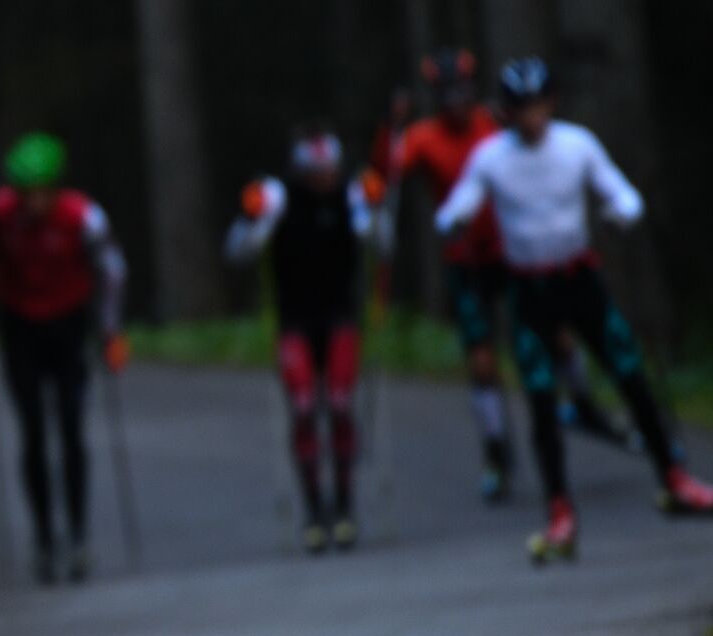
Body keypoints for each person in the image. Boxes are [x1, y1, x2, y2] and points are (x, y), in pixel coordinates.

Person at [436, 58, 713, 558]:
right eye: (521, 108)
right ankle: (559, 511)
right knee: (540, 399)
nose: (531, 118)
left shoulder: (577, 144)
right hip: (529, 291)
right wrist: (453, 220)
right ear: (505, 111)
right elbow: (458, 204)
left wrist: (622, 212)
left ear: (552, 103)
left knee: (630, 373)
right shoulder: (491, 156)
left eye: (538, 106)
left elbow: (621, 193)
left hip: (579, 279)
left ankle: (673, 476)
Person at [369, 48, 619, 502]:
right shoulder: (424, 137)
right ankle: (497, 452)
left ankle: (583, 403)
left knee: (557, 336)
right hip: (466, 263)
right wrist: (391, 129)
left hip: (514, 254)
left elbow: (537, 148)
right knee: (482, 362)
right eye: (446, 94)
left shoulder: (493, 124)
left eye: (462, 91)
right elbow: (387, 175)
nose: (455, 102)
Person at [0, 131, 128, 583]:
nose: (34, 202)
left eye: (42, 192)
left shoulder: (83, 216)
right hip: (20, 329)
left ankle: (77, 537)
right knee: (33, 433)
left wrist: (110, 332)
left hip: (69, 327)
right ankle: (44, 539)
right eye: (26, 193)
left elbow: (112, 273)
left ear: (56, 187)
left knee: (71, 429)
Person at [224, 127, 371, 552]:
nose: (323, 179)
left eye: (329, 171)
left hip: (340, 317)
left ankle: (344, 505)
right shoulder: (280, 199)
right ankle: (313, 510)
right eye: (315, 172)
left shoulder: (351, 196)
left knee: (341, 404)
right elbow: (238, 252)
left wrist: (373, 211)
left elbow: (382, 241)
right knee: (304, 406)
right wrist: (258, 220)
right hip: (294, 322)